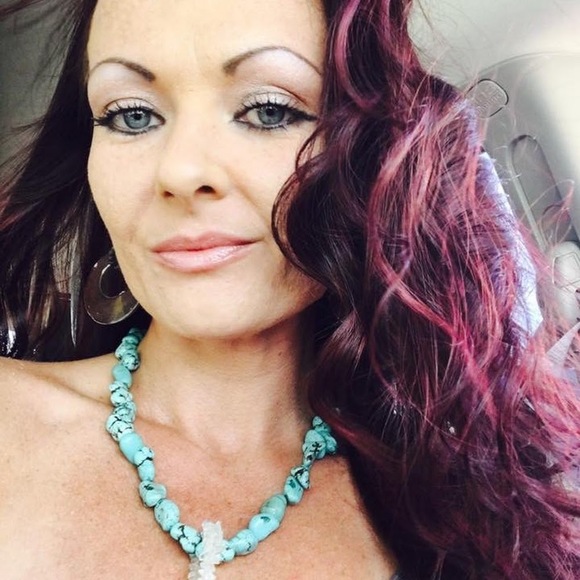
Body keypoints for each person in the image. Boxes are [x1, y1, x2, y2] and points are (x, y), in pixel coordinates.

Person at [0, 0, 578, 578]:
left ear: (367, 160)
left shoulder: (460, 502)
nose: (179, 172)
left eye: (269, 110)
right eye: (132, 116)